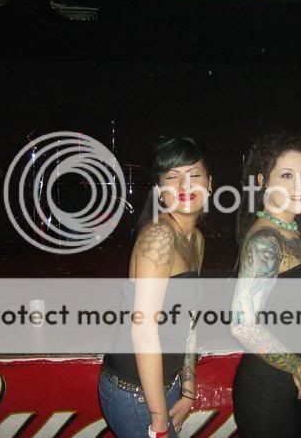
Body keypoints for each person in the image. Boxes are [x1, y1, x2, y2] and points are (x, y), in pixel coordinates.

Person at [99, 136, 212, 438]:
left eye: (194, 175)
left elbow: (188, 321)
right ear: (160, 191)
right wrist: (159, 418)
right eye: (172, 177)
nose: (185, 185)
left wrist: (188, 388)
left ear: (210, 183)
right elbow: (144, 330)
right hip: (135, 392)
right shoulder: (159, 237)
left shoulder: (195, 240)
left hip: (165, 385)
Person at [230, 132, 301, 437]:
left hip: (289, 380)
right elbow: (242, 325)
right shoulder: (265, 241)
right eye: (286, 175)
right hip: (267, 386)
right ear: (262, 181)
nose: (300, 185)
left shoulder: (294, 231)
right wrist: (296, 365)